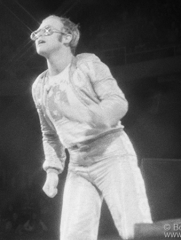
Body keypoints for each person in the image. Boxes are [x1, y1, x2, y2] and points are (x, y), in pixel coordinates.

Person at [30, 15, 152, 240]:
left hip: (112, 154)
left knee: (135, 229)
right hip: (78, 164)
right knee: (73, 235)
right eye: (37, 32)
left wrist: (90, 115)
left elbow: (118, 103)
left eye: (47, 30)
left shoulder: (87, 64)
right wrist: (52, 170)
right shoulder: (39, 86)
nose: (39, 35)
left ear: (67, 37)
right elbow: (49, 134)